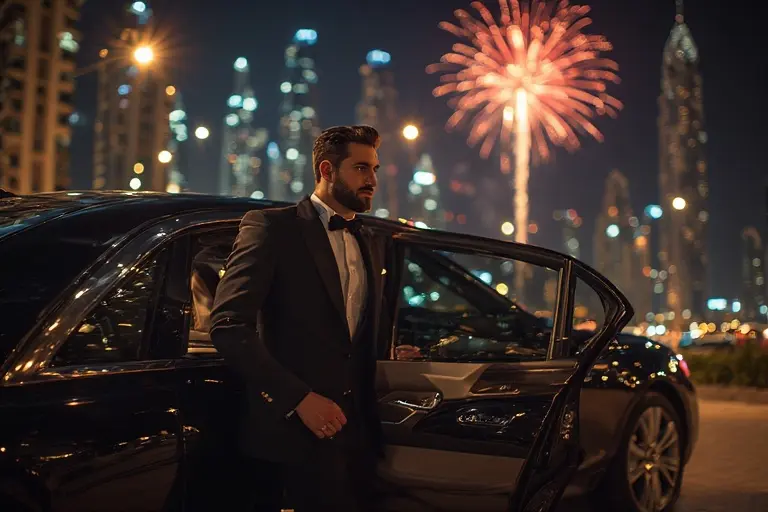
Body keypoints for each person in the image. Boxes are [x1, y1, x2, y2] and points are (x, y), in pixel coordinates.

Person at [210, 125, 386, 511]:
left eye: (375, 169)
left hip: (354, 436)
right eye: (361, 168)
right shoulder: (273, 228)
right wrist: (299, 399)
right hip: (291, 433)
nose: (372, 180)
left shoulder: (369, 239)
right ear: (326, 170)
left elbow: (351, 334)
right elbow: (227, 325)